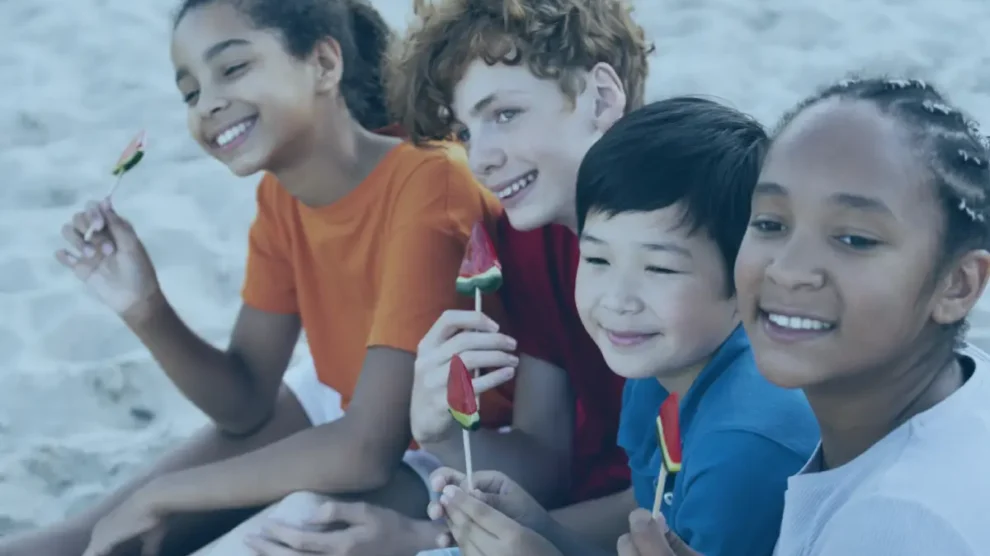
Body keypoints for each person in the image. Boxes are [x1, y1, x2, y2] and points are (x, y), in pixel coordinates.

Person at [0, 0, 508, 555]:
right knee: (74, 540)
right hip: (346, 398)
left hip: (456, 445)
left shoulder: (430, 181)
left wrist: (164, 495)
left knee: (266, 533)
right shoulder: (280, 198)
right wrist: (145, 307)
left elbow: (367, 450)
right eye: (190, 92)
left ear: (322, 64)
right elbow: (245, 403)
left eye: (233, 68)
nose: (209, 103)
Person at [427, 97, 821, 556]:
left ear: (748, 277)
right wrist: (541, 527)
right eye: (597, 259)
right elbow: (653, 512)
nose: (617, 300)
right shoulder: (663, 368)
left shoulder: (743, 448)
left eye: (660, 269)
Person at [624, 76, 990, 555]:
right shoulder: (964, 383)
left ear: (958, 284)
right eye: (771, 224)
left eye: (855, 239)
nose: (789, 270)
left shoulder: (898, 522)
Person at [386, 0, 652, 550]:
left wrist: (435, 537)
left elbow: (684, 494)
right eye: (464, 132)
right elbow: (544, 458)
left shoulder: (690, 237)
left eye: (504, 114)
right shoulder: (531, 239)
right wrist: (440, 433)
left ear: (601, 98)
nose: (479, 159)